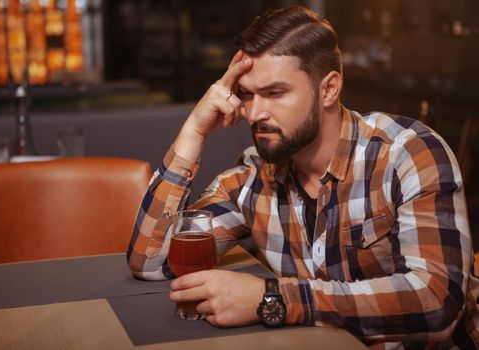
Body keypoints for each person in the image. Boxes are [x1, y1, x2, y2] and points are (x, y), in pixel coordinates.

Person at [127, 5, 479, 349]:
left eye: (275, 93)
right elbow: (151, 261)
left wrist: (273, 298)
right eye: (247, 94)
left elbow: (437, 303)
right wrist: (194, 131)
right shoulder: (254, 178)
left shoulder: (407, 154)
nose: (254, 113)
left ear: (328, 89)